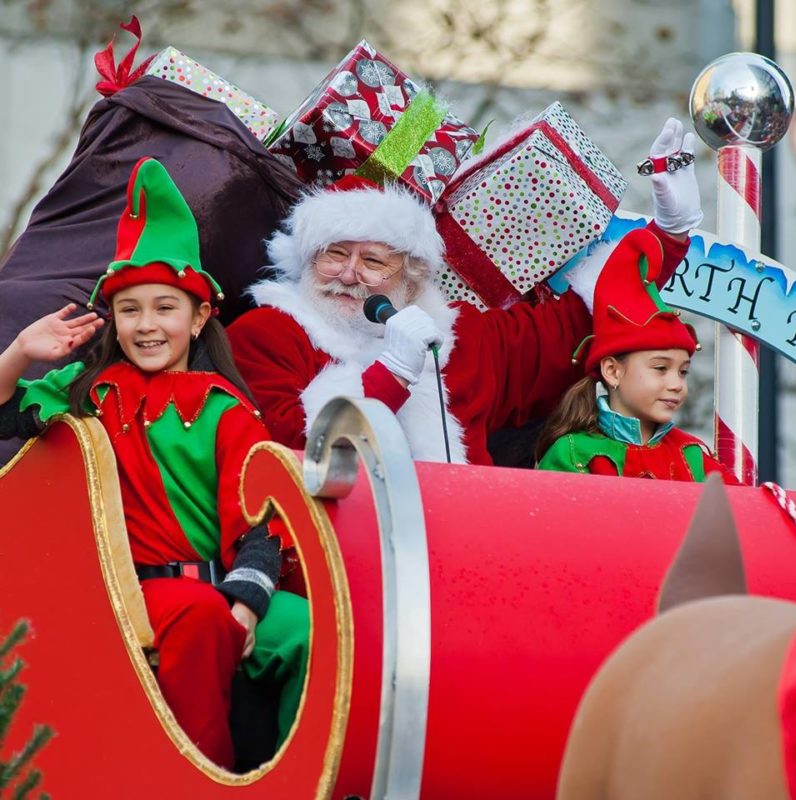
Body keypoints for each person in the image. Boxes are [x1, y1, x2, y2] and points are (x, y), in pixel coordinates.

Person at [0, 157, 309, 770]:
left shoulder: (230, 413)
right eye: (130, 309)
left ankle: (298, 774)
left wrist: (244, 607)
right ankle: (201, 775)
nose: (146, 325)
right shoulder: (84, 390)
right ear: (111, 319)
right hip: (112, 589)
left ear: (198, 317)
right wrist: (17, 354)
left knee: (316, 630)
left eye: (165, 307)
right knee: (197, 617)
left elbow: (261, 523)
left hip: (221, 587)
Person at [227, 119, 702, 465]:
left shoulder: (463, 339)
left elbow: (583, 319)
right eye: (334, 254)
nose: (349, 274)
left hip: (466, 554)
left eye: (373, 261)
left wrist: (669, 234)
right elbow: (285, 450)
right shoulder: (268, 332)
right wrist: (389, 374)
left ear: (410, 280)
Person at [536, 227, 739, 484]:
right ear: (612, 371)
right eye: (660, 368)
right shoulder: (571, 454)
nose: (676, 384)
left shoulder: (694, 457)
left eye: (683, 371)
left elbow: (747, 516)